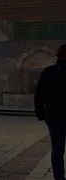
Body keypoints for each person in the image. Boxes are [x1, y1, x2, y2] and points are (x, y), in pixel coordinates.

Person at [35, 44, 66, 180]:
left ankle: (59, 177)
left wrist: (40, 113)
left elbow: (39, 94)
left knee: (57, 148)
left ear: (58, 56)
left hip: (54, 116)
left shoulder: (49, 71)